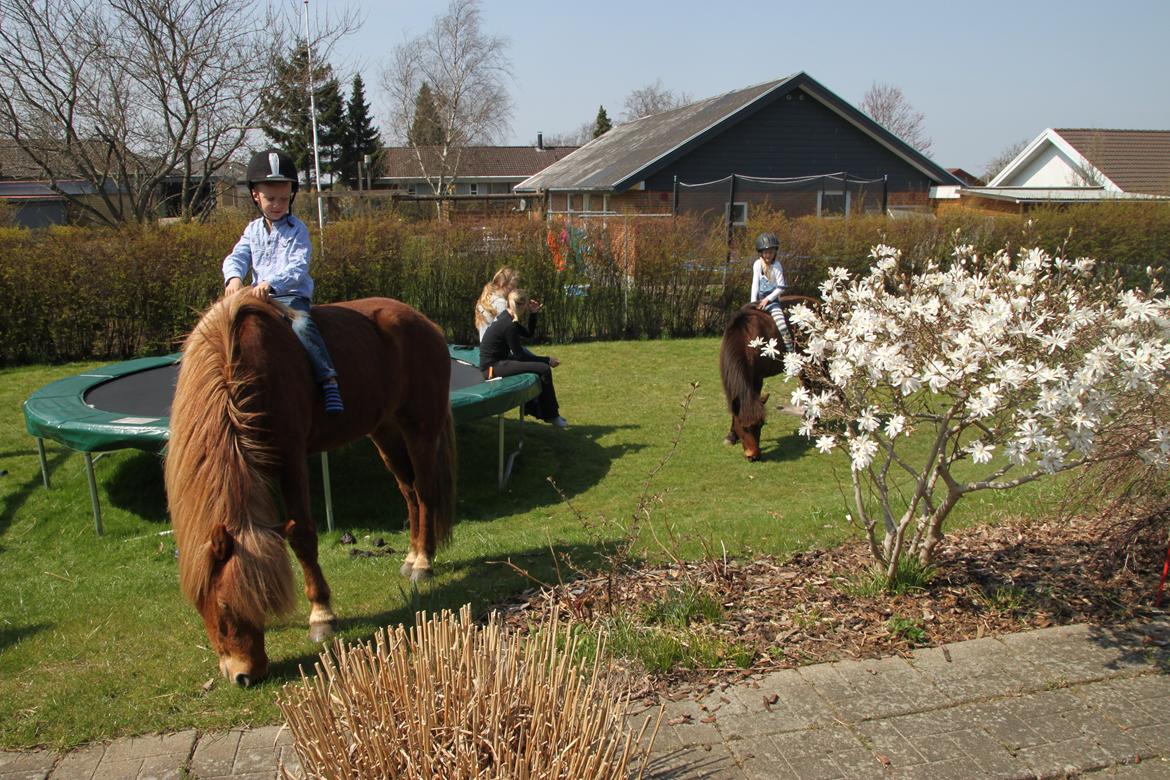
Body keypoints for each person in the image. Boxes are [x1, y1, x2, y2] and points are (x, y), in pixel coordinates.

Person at [223, 148, 343, 414]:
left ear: (292, 196)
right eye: (270, 198)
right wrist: (233, 278)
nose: (277, 205)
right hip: (257, 298)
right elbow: (237, 256)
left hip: (289, 297)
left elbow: (298, 265)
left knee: (302, 325)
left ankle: (328, 379)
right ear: (256, 196)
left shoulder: (297, 229)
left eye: (283, 199)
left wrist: (271, 283)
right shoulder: (252, 230)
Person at [479, 289, 567, 428]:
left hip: (499, 361)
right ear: (523, 305)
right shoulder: (509, 325)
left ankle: (538, 410)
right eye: (527, 306)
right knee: (544, 369)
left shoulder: (507, 316)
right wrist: (547, 360)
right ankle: (552, 416)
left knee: (535, 363)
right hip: (491, 368)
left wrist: (534, 314)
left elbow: (528, 334)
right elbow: (520, 356)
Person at [749, 231, 795, 352]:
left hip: (772, 302)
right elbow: (755, 284)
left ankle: (790, 351)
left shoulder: (777, 266)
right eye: (765, 252)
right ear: (761, 253)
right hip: (759, 301)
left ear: (775, 252)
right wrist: (753, 303)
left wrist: (767, 299)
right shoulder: (757, 264)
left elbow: (781, 287)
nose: (768, 255)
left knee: (782, 325)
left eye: (770, 252)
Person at [475, 266, 520, 341]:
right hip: (498, 349)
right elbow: (510, 333)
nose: (514, 290)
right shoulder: (501, 303)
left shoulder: (486, 298)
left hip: (485, 348)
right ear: (502, 285)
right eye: (512, 287)